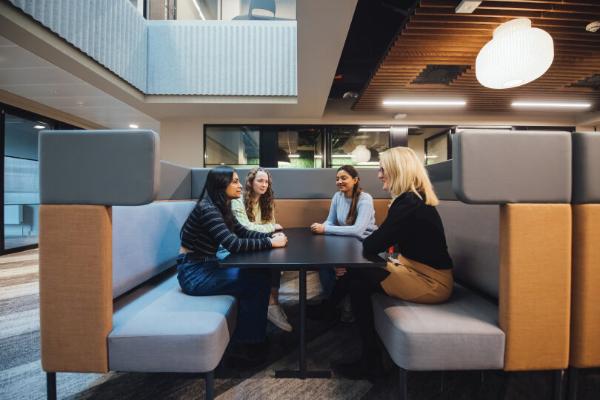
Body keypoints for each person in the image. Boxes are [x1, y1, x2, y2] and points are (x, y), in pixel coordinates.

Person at [316, 147, 454, 380]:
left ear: (396, 170)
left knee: (358, 277)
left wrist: (371, 242)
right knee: (357, 277)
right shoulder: (411, 199)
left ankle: (365, 355)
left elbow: (373, 244)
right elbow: (378, 240)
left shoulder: (409, 203)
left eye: (382, 169)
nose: (379, 175)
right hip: (413, 269)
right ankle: (362, 349)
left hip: (430, 282)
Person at [177, 166, 288, 362]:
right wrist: (270, 243)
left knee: (259, 275)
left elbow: (243, 232)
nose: (240, 186)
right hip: (194, 274)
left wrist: (270, 235)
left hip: (207, 265)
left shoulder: (221, 206)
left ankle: (250, 337)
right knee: (255, 282)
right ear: (222, 185)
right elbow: (233, 244)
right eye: (235, 182)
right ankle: (247, 346)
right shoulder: (208, 209)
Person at [231, 167, 293, 332]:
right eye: (260, 180)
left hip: (257, 242)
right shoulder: (237, 199)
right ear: (250, 182)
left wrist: (267, 227)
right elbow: (245, 227)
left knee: (276, 256)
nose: (264, 184)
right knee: (270, 256)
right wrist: (269, 227)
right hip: (240, 246)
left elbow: (269, 226)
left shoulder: (267, 202)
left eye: (266, 181)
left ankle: (274, 302)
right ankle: (270, 305)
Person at [310, 165, 377, 298]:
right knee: (324, 263)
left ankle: (337, 305)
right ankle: (330, 302)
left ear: (355, 180)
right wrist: (321, 226)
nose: (339, 181)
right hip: (347, 242)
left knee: (343, 270)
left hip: (364, 245)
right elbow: (330, 221)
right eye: (337, 179)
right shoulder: (337, 196)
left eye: (344, 178)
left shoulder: (365, 199)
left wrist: (325, 229)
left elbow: (358, 231)